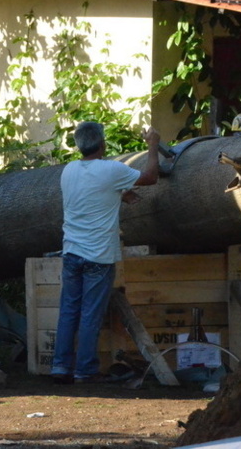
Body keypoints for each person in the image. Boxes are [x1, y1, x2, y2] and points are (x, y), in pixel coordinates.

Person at [51, 121, 160, 384]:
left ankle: (60, 367)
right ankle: (85, 371)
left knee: (68, 311)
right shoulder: (111, 169)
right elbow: (151, 177)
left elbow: (90, 193)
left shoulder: (69, 170)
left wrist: (120, 194)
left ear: (79, 145)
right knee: (90, 314)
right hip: (98, 255)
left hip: (72, 252)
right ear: (102, 143)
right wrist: (153, 146)